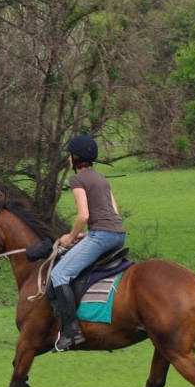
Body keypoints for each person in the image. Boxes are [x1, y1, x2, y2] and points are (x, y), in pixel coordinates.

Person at [50, 135, 126, 352]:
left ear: (76, 157)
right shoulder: (102, 179)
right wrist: (88, 234)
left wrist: (71, 236)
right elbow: (114, 213)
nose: (68, 159)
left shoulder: (77, 180)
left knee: (59, 275)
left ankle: (71, 332)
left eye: (69, 155)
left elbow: (83, 215)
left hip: (102, 235)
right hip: (118, 234)